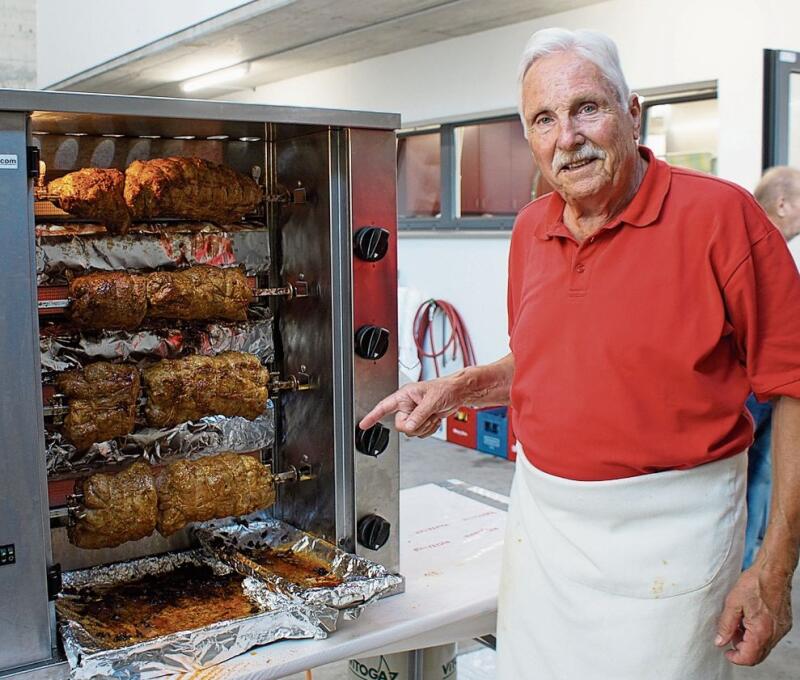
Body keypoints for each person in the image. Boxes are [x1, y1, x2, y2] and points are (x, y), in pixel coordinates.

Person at [359, 28, 800, 679]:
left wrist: (774, 566)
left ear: (632, 112)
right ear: (530, 137)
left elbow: (794, 387)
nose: (567, 135)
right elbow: (542, 360)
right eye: (544, 118)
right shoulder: (532, 230)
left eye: (587, 107)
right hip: (543, 529)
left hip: (672, 541)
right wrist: (457, 387)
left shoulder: (722, 218)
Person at [742, 166, 800, 569]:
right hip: (746, 391)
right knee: (744, 482)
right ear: (782, 203)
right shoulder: (753, 246)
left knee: (762, 477)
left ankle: (750, 569)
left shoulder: (771, 248)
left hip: (768, 390)